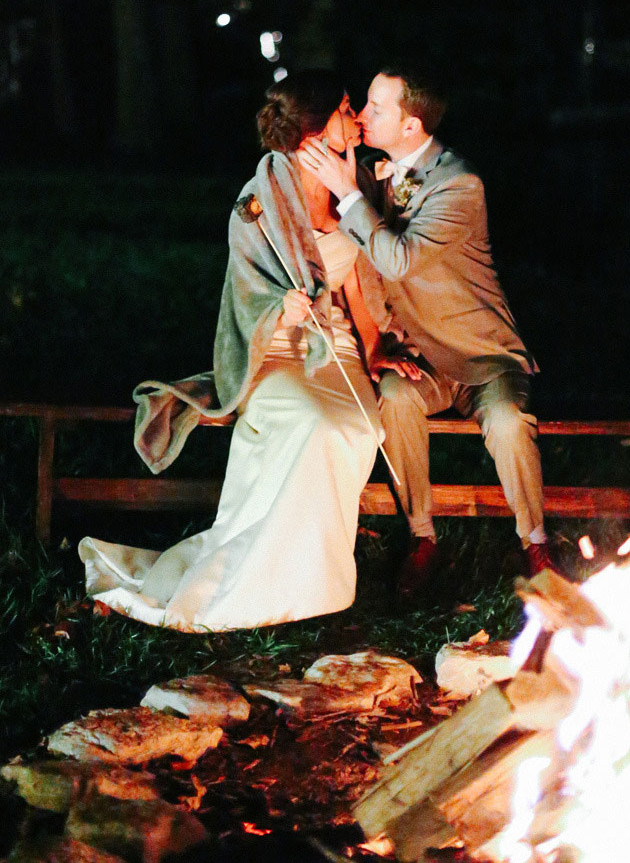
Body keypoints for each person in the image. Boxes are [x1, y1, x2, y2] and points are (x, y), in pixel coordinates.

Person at [79, 71, 414, 631]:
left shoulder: (352, 181)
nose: (355, 116)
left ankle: (314, 582)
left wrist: (375, 352)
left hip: (336, 346)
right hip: (278, 350)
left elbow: (356, 282)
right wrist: (279, 309)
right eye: (345, 107)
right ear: (313, 126)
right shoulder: (258, 200)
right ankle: (258, 581)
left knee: (356, 429)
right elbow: (245, 294)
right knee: (313, 425)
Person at [297, 63, 554, 598]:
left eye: (375, 107)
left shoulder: (461, 185)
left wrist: (349, 196)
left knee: (507, 421)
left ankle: (534, 543)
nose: (362, 115)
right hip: (418, 358)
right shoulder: (371, 169)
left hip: (481, 355)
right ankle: (423, 538)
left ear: (411, 127)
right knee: (393, 396)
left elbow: (397, 258)